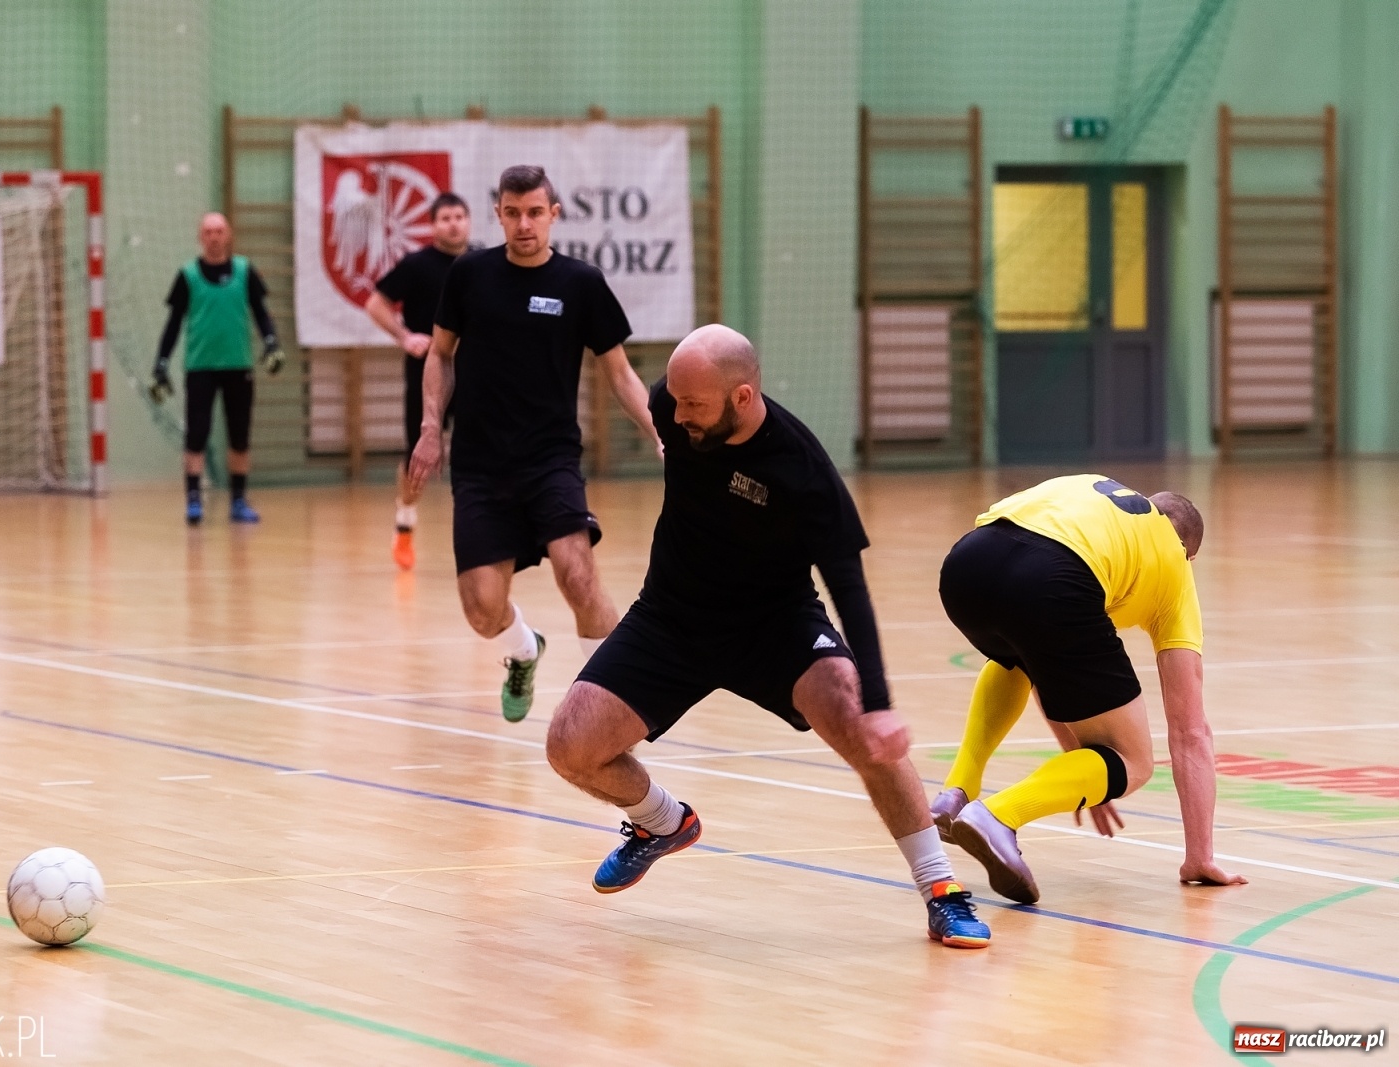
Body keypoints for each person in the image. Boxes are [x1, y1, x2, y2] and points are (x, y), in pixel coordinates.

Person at [542, 324, 993, 950]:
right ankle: (661, 823)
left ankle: (941, 890)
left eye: (695, 405)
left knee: (860, 724)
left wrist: (882, 703)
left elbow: (850, 589)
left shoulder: (802, 472)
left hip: (775, 624)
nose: (677, 415)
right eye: (673, 400)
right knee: (570, 745)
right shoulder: (672, 409)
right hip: (671, 617)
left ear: (744, 397)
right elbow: (666, 409)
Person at [407, 165, 661, 723]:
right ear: (498, 213)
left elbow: (619, 373)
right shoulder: (470, 275)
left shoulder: (580, 284)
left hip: (550, 460)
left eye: (535, 212)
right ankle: (525, 650)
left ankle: (608, 704)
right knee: (481, 610)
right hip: (479, 465)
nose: (524, 224)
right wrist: (430, 427)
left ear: (554, 214)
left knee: (578, 572)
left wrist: (660, 437)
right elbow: (441, 354)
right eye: (513, 212)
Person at [931, 474, 1248, 905]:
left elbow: (1050, 673)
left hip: (967, 564)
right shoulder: (1173, 566)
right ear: (1189, 555)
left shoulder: (1098, 501)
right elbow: (1190, 731)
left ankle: (957, 791)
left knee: (1018, 656)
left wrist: (1085, 771)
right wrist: (1198, 856)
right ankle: (996, 816)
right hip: (1052, 578)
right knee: (1134, 762)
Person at [151, 212, 283, 525]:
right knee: (196, 433)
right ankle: (194, 499)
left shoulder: (244, 271)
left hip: (238, 365)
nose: (214, 236)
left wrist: (271, 343)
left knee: (240, 435)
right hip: (200, 367)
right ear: (200, 237)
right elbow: (173, 324)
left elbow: (261, 314)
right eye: (208, 231)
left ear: (229, 235)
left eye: (219, 231)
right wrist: (161, 363)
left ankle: (238, 500)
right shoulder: (187, 275)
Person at [365, 192, 471, 570]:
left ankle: (479, 534)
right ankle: (405, 525)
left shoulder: (482, 264)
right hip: (429, 372)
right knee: (417, 457)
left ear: (469, 221)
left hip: (476, 374)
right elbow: (375, 303)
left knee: (479, 453)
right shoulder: (416, 265)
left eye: (459, 216)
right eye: (445, 218)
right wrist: (404, 336)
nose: (453, 223)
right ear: (433, 224)